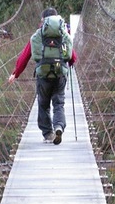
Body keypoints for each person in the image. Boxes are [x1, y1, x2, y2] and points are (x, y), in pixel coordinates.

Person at [8, 7, 77, 145]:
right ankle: (58, 126)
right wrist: (66, 64)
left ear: (43, 20)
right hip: (60, 75)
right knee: (59, 103)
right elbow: (72, 57)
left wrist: (15, 73)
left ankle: (48, 133)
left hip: (43, 76)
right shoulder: (63, 33)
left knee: (43, 104)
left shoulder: (38, 35)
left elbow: (25, 56)